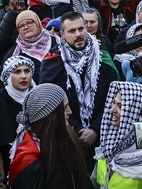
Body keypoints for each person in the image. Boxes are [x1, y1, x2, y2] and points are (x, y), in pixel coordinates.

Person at [40, 11, 115, 168]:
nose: (78, 34)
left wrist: (95, 129)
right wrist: (77, 129)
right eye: (72, 31)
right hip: (67, 138)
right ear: (62, 34)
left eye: (81, 29)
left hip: (104, 136)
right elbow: (49, 103)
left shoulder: (103, 58)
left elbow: (115, 97)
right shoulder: (52, 62)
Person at [0, 56, 36, 167]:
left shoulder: (40, 99)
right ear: (8, 77)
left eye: (27, 71)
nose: (23, 76)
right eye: (17, 72)